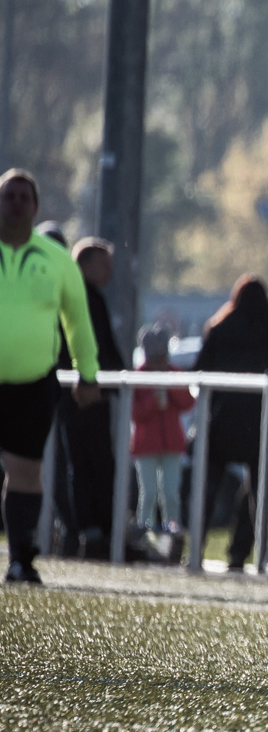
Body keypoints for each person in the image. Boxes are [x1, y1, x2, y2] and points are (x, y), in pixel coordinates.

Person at [0, 169, 100, 583]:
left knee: (26, 472)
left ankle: (21, 557)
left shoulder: (57, 261)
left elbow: (77, 321)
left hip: (33, 385)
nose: (17, 203)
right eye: (9, 196)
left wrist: (88, 373)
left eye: (25, 197)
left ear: (36, 207)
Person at [194, 276, 268, 571]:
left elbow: (200, 371)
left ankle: (195, 548)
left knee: (207, 489)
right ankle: (244, 553)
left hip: (221, 421)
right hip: (259, 424)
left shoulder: (218, 329)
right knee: (258, 492)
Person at [60, 237, 128, 558]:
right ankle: (95, 534)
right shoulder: (82, 300)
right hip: (84, 394)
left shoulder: (85, 297)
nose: (110, 275)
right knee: (90, 466)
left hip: (85, 393)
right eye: (104, 266)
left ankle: (92, 533)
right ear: (85, 264)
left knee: (86, 466)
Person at [130, 324, 193, 543]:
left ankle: (172, 534)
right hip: (145, 444)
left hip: (172, 444)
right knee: (147, 494)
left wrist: (171, 389)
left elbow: (188, 402)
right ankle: (143, 535)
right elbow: (134, 413)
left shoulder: (175, 373)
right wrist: (152, 402)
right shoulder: (137, 376)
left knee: (170, 494)